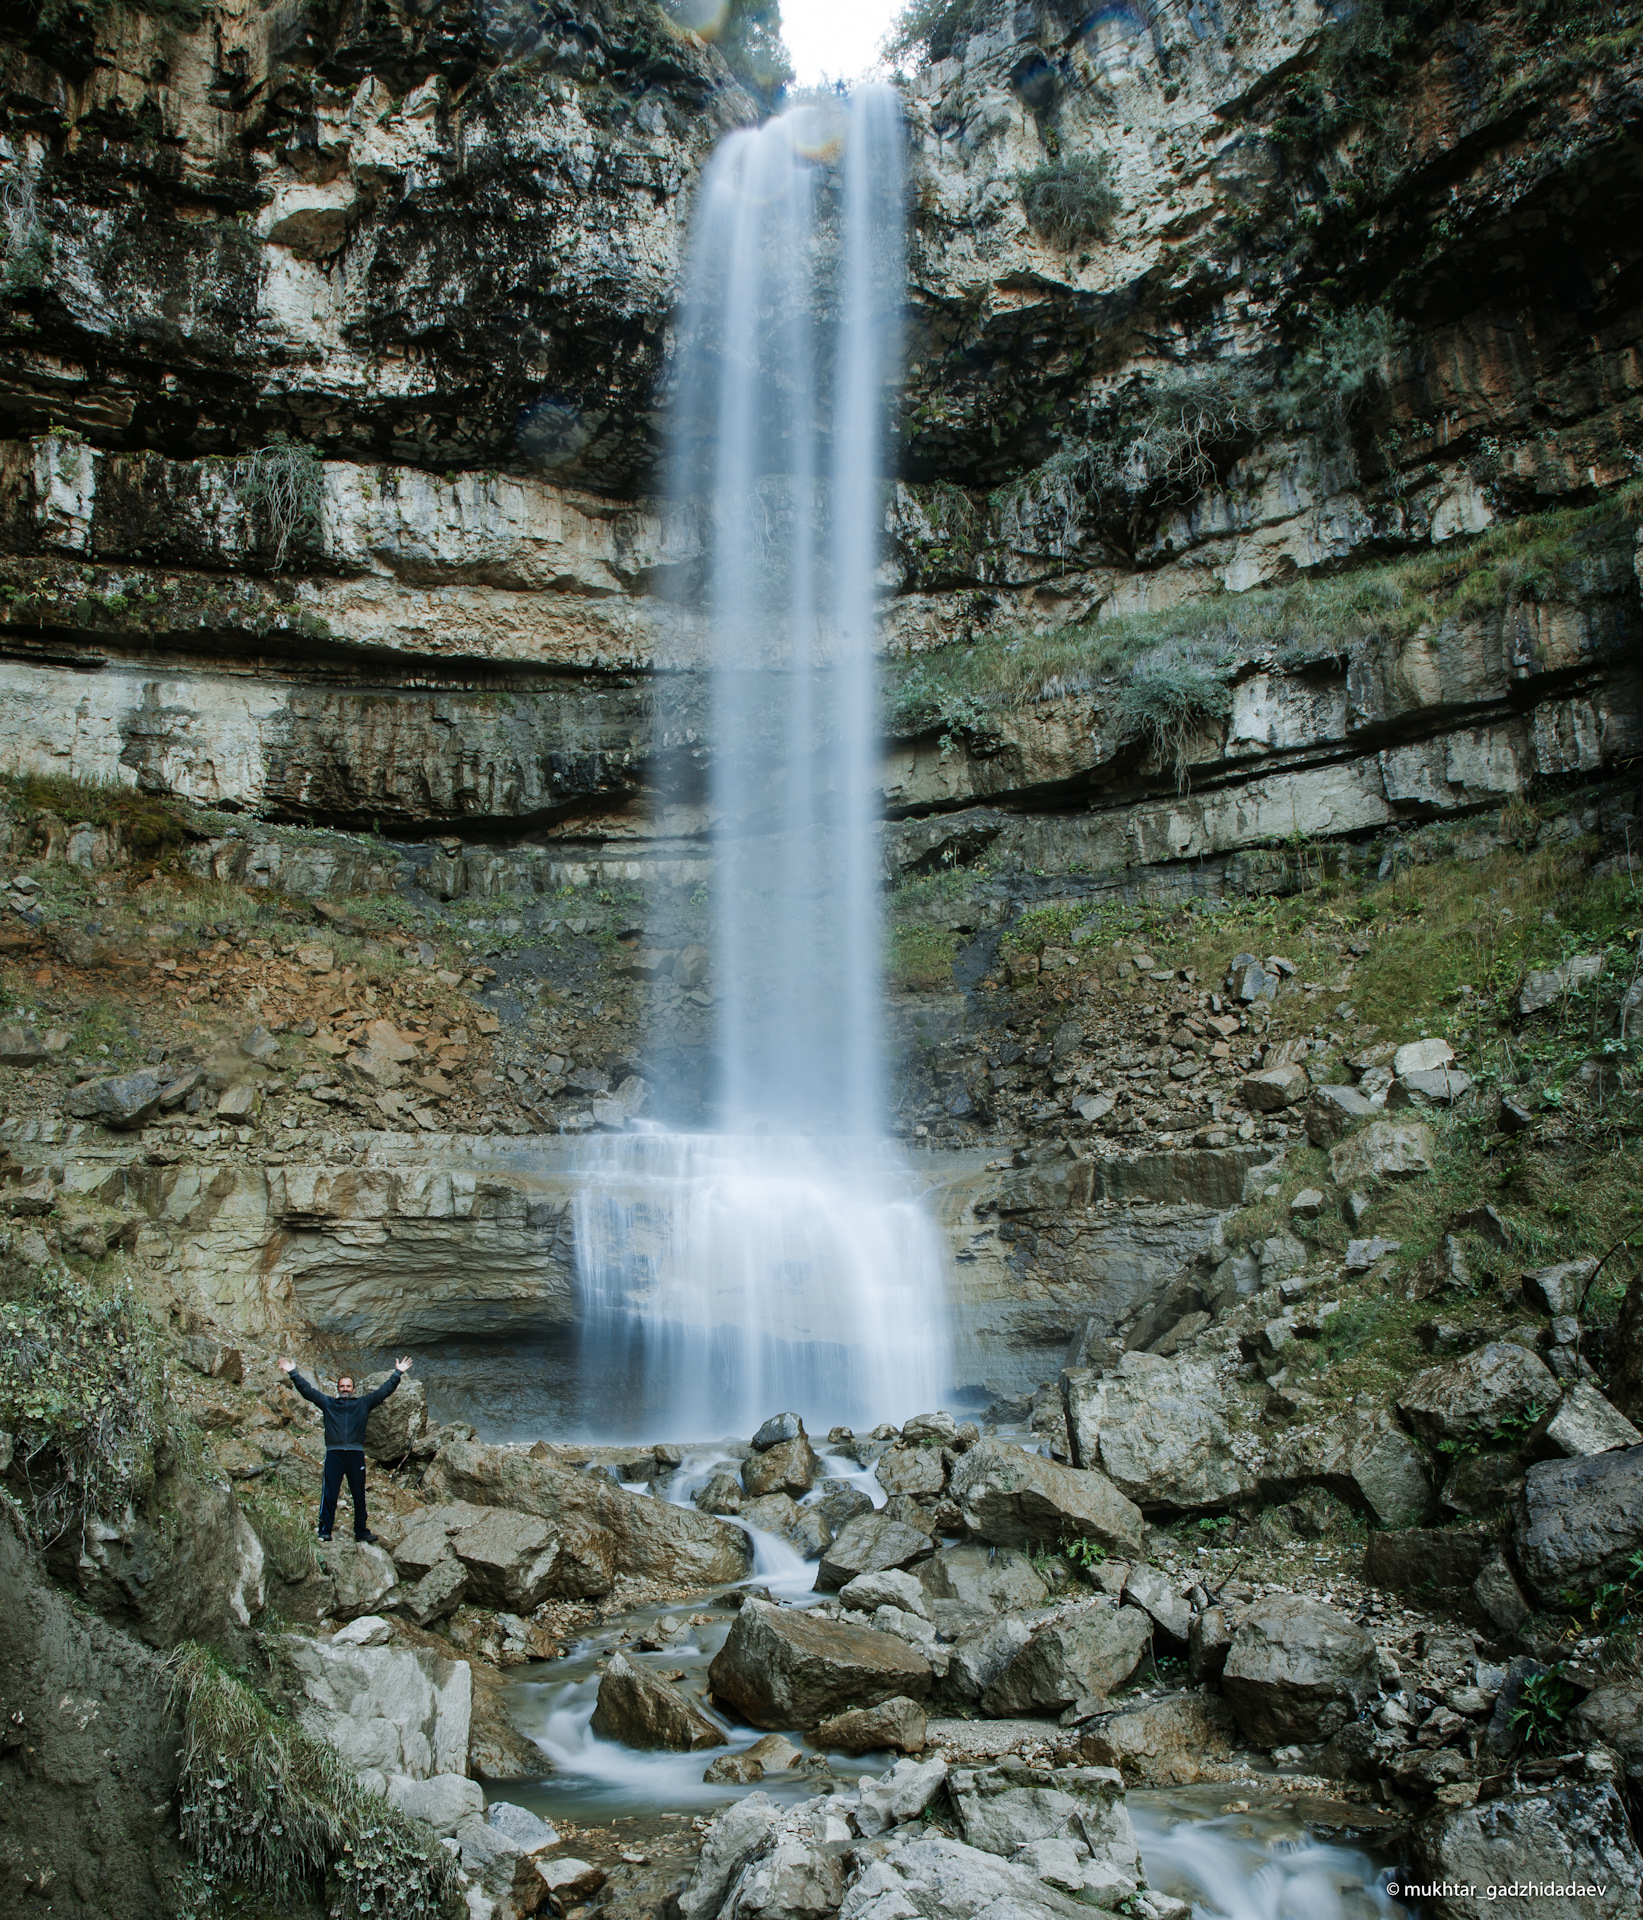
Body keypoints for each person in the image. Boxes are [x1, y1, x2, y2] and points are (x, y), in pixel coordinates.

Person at [278, 1355, 413, 1543]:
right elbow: (307, 1391)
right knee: (330, 1493)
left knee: (358, 1493)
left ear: (354, 1389)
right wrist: (293, 1372)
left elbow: (383, 1392)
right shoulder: (329, 1404)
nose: (345, 1389)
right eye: (342, 1386)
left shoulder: (363, 1403)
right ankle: (324, 1531)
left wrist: (398, 1373)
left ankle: (361, 1531)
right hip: (334, 1453)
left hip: (355, 1454)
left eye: (348, 1386)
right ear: (338, 1389)